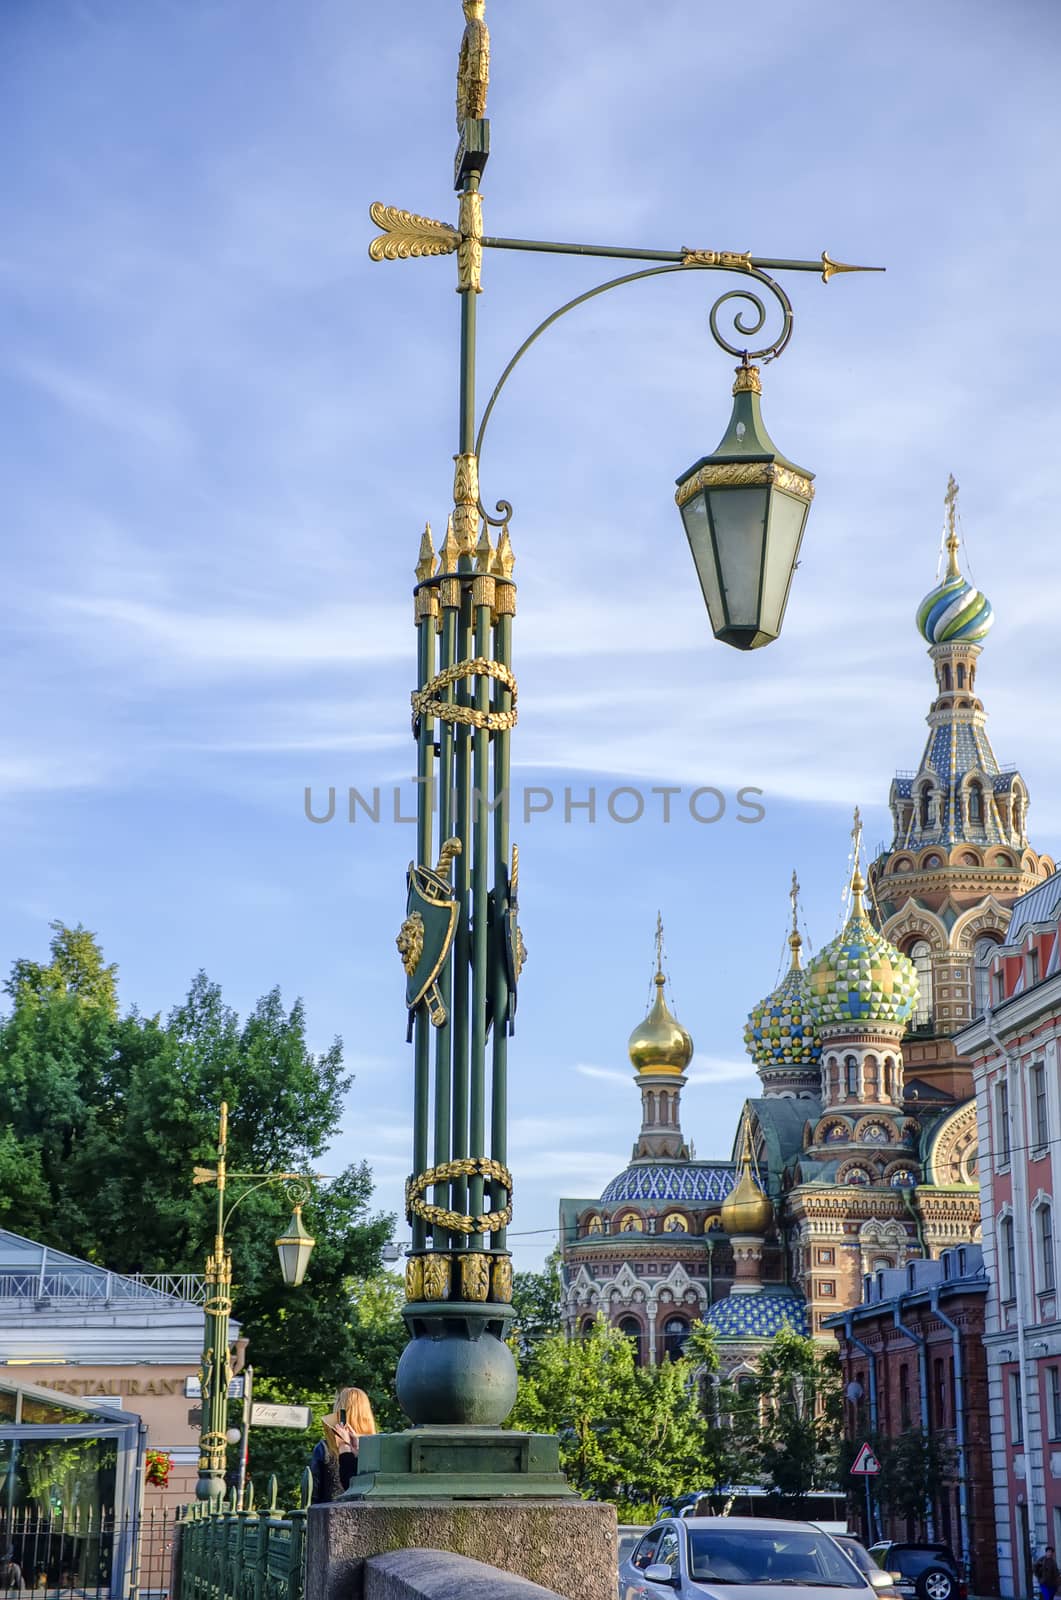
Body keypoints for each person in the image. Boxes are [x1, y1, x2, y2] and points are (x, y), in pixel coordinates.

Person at [309, 1386, 376, 1504]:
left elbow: (314, 1494)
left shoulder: (325, 1448)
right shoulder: (377, 1446)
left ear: (339, 1411)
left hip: (330, 1517)